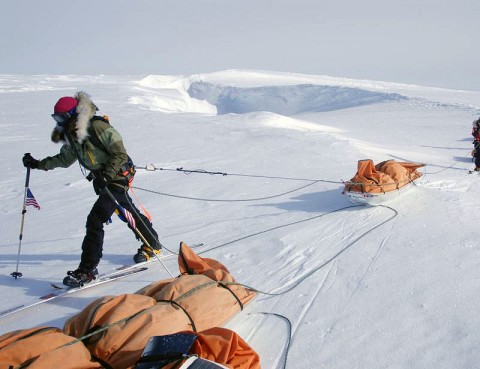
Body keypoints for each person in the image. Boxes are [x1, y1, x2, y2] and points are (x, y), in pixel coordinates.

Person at [22, 91, 162, 287]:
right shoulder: (73, 135)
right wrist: (37, 164)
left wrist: (107, 175)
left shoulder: (97, 126)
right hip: (104, 179)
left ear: (73, 114)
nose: (59, 122)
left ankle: (87, 270)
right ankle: (153, 244)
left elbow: (120, 154)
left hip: (118, 176)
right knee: (126, 210)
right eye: (56, 118)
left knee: (95, 219)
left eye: (61, 117)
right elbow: (64, 159)